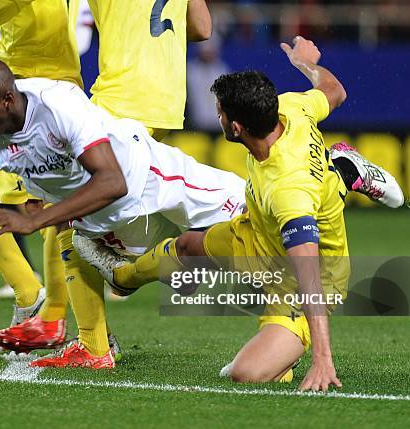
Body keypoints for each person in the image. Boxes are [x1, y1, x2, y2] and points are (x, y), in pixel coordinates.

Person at [77, 36, 378, 391]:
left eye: (219, 111)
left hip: (303, 280)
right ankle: (122, 276)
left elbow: (309, 271)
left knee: (245, 373)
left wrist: (323, 360)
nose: (216, 115)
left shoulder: (287, 191)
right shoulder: (291, 108)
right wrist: (305, 64)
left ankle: (284, 357)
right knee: (189, 247)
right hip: (258, 233)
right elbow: (335, 90)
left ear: (235, 128)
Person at [0, 0, 214, 355]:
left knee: (69, 207)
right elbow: (202, 28)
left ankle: (73, 323)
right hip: (168, 100)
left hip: (104, 93)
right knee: (88, 207)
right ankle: (114, 286)